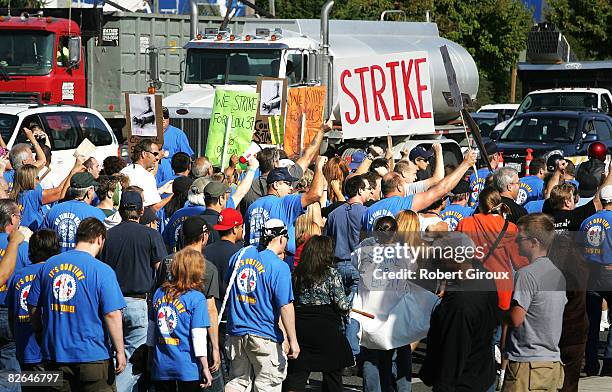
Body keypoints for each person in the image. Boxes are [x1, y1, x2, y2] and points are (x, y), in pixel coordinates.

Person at [27, 218, 127, 391]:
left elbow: (33, 305)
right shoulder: (102, 270)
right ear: (100, 239)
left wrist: (39, 331)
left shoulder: (49, 265)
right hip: (93, 357)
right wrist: (120, 350)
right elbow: (112, 314)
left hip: (55, 354)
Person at [100, 191, 167, 392]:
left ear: (120, 211)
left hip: (111, 304)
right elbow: (161, 270)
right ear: (140, 211)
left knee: (114, 354)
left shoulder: (107, 236)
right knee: (133, 359)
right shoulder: (151, 235)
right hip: (138, 304)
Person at [224, 219, 299, 392]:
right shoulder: (279, 266)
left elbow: (228, 285)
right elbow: (285, 306)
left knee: (238, 382)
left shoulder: (240, 255)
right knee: (268, 385)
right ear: (281, 238)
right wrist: (293, 340)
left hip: (236, 332)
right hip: (264, 336)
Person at [419, 233, 500, 392]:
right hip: (482, 374)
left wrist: (442, 386)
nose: (436, 264)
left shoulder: (460, 303)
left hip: (462, 383)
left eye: (439, 258)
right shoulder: (484, 276)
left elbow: (453, 351)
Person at [155, 216, 222, 391]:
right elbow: (210, 310)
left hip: (165, 344)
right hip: (191, 353)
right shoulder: (207, 268)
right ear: (204, 237)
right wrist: (214, 347)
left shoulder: (167, 262)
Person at [502, 214, 567, 392]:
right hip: (552, 363)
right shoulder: (557, 274)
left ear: (534, 242)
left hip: (527, 364)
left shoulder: (526, 274)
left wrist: (499, 313)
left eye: (520, 238)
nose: (516, 242)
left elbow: (516, 318)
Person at [283, 236, 352, 392]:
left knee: (297, 372)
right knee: (333, 373)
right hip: (326, 326)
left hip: (301, 325)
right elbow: (342, 304)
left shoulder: (297, 273)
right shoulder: (331, 273)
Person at [362, 150, 477, 232]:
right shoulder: (404, 204)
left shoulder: (368, 211)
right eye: (404, 184)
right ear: (399, 187)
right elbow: (442, 188)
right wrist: (465, 164)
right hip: (397, 263)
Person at [148, 248, 213, 391]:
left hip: (161, 366)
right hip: (187, 366)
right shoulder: (196, 299)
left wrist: (150, 356)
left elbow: (151, 331)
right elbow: (198, 337)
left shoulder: (159, 293)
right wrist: (205, 368)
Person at [456, 187, 528, 311]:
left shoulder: (465, 224)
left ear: (480, 204)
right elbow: (520, 263)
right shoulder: (510, 228)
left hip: (472, 287)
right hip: (501, 288)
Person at [245, 156, 327, 261]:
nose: (291, 188)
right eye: (288, 184)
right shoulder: (284, 202)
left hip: (253, 262)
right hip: (278, 262)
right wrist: (318, 167)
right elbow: (315, 194)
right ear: (276, 185)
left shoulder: (252, 207)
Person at [5, 230, 58, 380]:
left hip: (24, 348)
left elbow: (11, 312)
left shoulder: (18, 275)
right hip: (47, 349)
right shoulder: (53, 273)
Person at [581, 184, 612, 376]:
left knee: (591, 323)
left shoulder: (587, 221)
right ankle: (609, 363)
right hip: (609, 271)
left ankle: (590, 363)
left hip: (591, 273)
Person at [10, 158, 83, 231]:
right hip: (31, 234)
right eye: (36, 178)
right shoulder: (31, 194)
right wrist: (73, 172)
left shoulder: (17, 194)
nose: (38, 181)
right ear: (28, 180)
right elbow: (60, 193)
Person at [42, 172, 107, 252]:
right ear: (89, 191)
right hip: (82, 263)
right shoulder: (97, 214)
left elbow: (42, 239)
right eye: (94, 190)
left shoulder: (53, 210)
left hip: (56, 263)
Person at [204, 208, 243, 305]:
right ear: (234, 229)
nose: (242, 230)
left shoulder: (205, 251)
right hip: (229, 311)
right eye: (241, 227)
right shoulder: (239, 254)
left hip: (209, 308)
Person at [120, 139, 172, 210]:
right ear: (144, 154)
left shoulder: (123, 171)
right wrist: (174, 195)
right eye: (155, 154)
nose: (157, 158)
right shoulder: (146, 176)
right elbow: (154, 208)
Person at [163, 178, 207, 252]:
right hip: (197, 260)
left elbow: (165, 241)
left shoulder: (177, 213)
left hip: (175, 258)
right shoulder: (205, 213)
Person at [468, 141, 500, 207]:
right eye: (499, 155)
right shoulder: (496, 176)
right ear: (495, 157)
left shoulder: (473, 175)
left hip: (472, 210)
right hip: (487, 210)